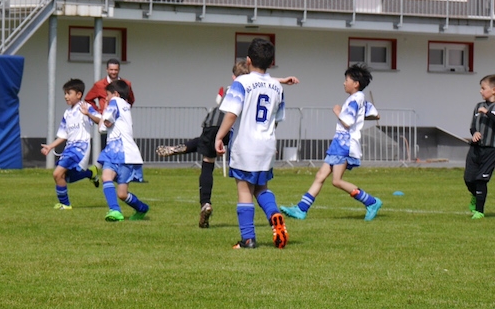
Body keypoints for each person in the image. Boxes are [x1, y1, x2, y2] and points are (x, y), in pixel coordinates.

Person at [154, 62, 300, 229]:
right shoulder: (253, 86)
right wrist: (282, 80)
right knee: (253, 184)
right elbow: (262, 81)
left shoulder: (235, 86)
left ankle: (205, 202)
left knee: (207, 162)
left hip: (213, 123)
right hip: (233, 127)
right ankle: (260, 221)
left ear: (233, 76)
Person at [280, 63, 383, 222]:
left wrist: (337, 112)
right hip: (339, 143)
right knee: (320, 175)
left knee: (336, 181)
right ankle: (301, 209)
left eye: (347, 80)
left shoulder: (355, 100)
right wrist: (359, 117)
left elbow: (347, 122)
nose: (344, 83)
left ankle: (371, 202)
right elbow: (376, 115)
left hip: (344, 144)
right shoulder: (360, 99)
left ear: (356, 83)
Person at [214, 38, 288, 249]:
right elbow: (276, 119)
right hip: (267, 144)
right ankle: (274, 214)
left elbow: (232, 113)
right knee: (261, 187)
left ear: (248, 60)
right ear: (271, 62)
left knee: (244, 189)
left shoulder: (242, 83)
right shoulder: (277, 87)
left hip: (246, 144)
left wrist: (219, 137)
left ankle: (248, 239)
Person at [41, 78, 101, 210]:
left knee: (57, 174)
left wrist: (89, 114)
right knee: (65, 177)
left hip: (80, 147)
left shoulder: (85, 107)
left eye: (69, 93)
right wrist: (51, 146)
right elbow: (63, 134)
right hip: (69, 148)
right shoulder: (67, 113)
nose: (66, 96)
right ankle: (90, 173)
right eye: (65, 93)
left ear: (79, 94)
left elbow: (100, 120)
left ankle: (66, 204)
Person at [97, 79, 149, 222]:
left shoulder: (115, 102)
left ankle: (140, 208)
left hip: (119, 151)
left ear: (115, 94)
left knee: (120, 191)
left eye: (107, 95)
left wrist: (104, 111)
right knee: (114, 185)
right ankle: (116, 210)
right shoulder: (125, 105)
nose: (106, 98)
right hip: (123, 152)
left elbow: (104, 126)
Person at [463, 74, 495, 220]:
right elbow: (472, 126)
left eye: (483, 88)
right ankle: (475, 196)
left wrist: (487, 113)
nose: (480, 91)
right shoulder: (478, 106)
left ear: (493, 90)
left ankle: (479, 211)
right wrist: (475, 132)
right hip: (475, 149)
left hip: (491, 150)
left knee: (481, 179)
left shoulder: (489, 109)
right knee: (469, 179)